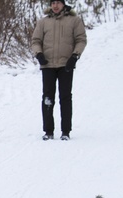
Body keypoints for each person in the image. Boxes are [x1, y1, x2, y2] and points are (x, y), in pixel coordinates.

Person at [31, 0, 87, 141]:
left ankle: (66, 131)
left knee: (65, 97)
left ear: (63, 4)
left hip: (66, 64)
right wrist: (39, 54)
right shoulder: (43, 22)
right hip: (47, 65)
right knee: (48, 98)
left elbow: (81, 39)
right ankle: (48, 131)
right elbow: (36, 40)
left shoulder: (74, 20)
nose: (55, 6)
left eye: (58, 3)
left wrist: (75, 56)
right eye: (53, 3)